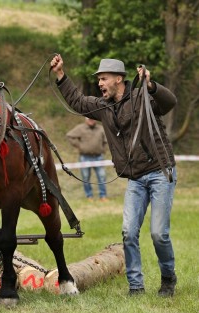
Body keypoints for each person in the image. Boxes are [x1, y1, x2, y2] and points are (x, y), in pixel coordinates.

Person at [51, 55, 178, 297]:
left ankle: (168, 278)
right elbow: (77, 102)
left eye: (104, 78)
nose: (100, 83)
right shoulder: (103, 107)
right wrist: (60, 75)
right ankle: (136, 286)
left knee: (159, 234)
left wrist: (151, 85)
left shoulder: (143, 96)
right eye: (99, 79)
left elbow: (170, 102)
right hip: (136, 179)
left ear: (119, 79)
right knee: (129, 232)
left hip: (161, 172)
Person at [66, 117, 108, 201]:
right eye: (89, 119)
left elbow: (106, 140)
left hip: (98, 157)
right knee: (85, 178)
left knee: (102, 177)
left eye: (92, 119)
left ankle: (103, 196)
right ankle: (89, 196)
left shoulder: (101, 128)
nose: (91, 121)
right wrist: (79, 145)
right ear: (86, 120)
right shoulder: (80, 128)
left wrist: (103, 149)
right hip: (85, 157)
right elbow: (69, 136)